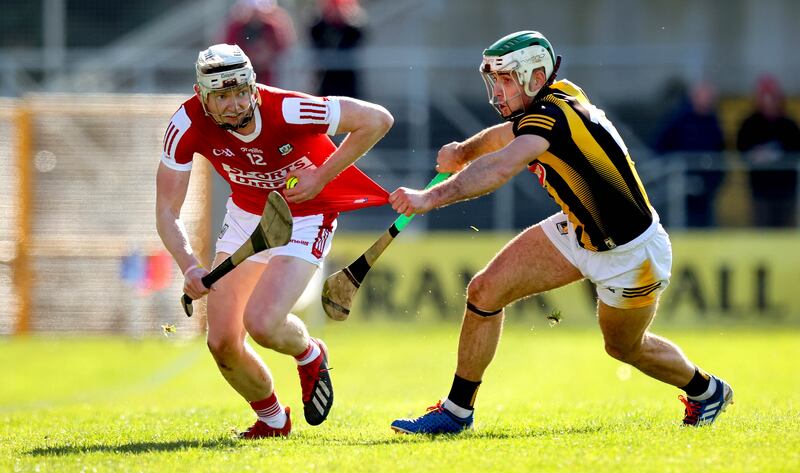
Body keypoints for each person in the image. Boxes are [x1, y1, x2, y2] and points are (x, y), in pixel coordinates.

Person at [388, 31, 733, 434]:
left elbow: (501, 165)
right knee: (484, 291)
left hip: (631, 255)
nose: (497, 91)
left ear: (535, 77)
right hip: (578, 229)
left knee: (624, 347)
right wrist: (463, 152)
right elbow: (505, 136)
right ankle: (456, 411)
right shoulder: (554, 100)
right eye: (495, 80)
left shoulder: (551, 116)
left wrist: (430, 198)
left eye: (506, 80)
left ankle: (707, 390)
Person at [156, 44, 393, 438]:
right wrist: (189, 266)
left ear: (253, 86)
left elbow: (377, 120)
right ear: (201, 95)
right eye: (221, 96)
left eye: (240, 92)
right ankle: (272, 420)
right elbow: (167, 211)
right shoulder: (185, 124)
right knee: (222, 342)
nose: (234, 105)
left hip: (307, 215)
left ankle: (309, 353)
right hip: (246, 217)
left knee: (263, 323)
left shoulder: (287, 109)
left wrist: (322, 175)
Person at [652, 80, 726, 227]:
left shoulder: (714, 122)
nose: (706, 101)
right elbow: (660, 144)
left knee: (705, 222)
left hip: (706, 186)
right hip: (681, 182)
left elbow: (720, 151)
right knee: (682, 219)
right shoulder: (679, 119)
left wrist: (714, 181)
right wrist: (674, 163)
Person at [736, 74, 800, 227]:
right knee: (762, 228)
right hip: (760, 189)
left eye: (772, 97)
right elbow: (742, 149)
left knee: (786, 229)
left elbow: (795, 150)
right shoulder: (750, 124)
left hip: (786, 189)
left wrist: (778, 155)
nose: (768, 101)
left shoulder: (789, 124)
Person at [222, 0, 296, 86]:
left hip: (266, 71)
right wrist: (247, 56)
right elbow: (228, 47)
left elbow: (282, 45)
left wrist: (267, 55)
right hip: (242, 71)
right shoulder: (236, 28)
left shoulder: (271, 27)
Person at [309, 0, 367, 98]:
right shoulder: (321, 26)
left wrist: (346, 18)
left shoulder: (351, 27)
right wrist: (327, 19)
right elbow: (314, 35)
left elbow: (359, 34)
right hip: (326, 77)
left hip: (347, 77)